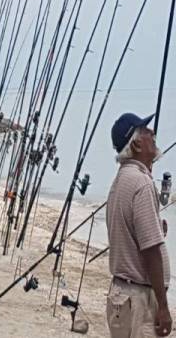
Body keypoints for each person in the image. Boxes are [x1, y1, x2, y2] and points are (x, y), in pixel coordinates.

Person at [106, 113, 171, 337]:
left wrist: (155, 230)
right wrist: (163, 306)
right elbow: (150, 249)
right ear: (135, 144)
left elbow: (130, 236)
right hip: (138, 299)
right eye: (145, 131)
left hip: (121, 295)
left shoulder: (121, 179)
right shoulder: (141, 182)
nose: (152, 133)